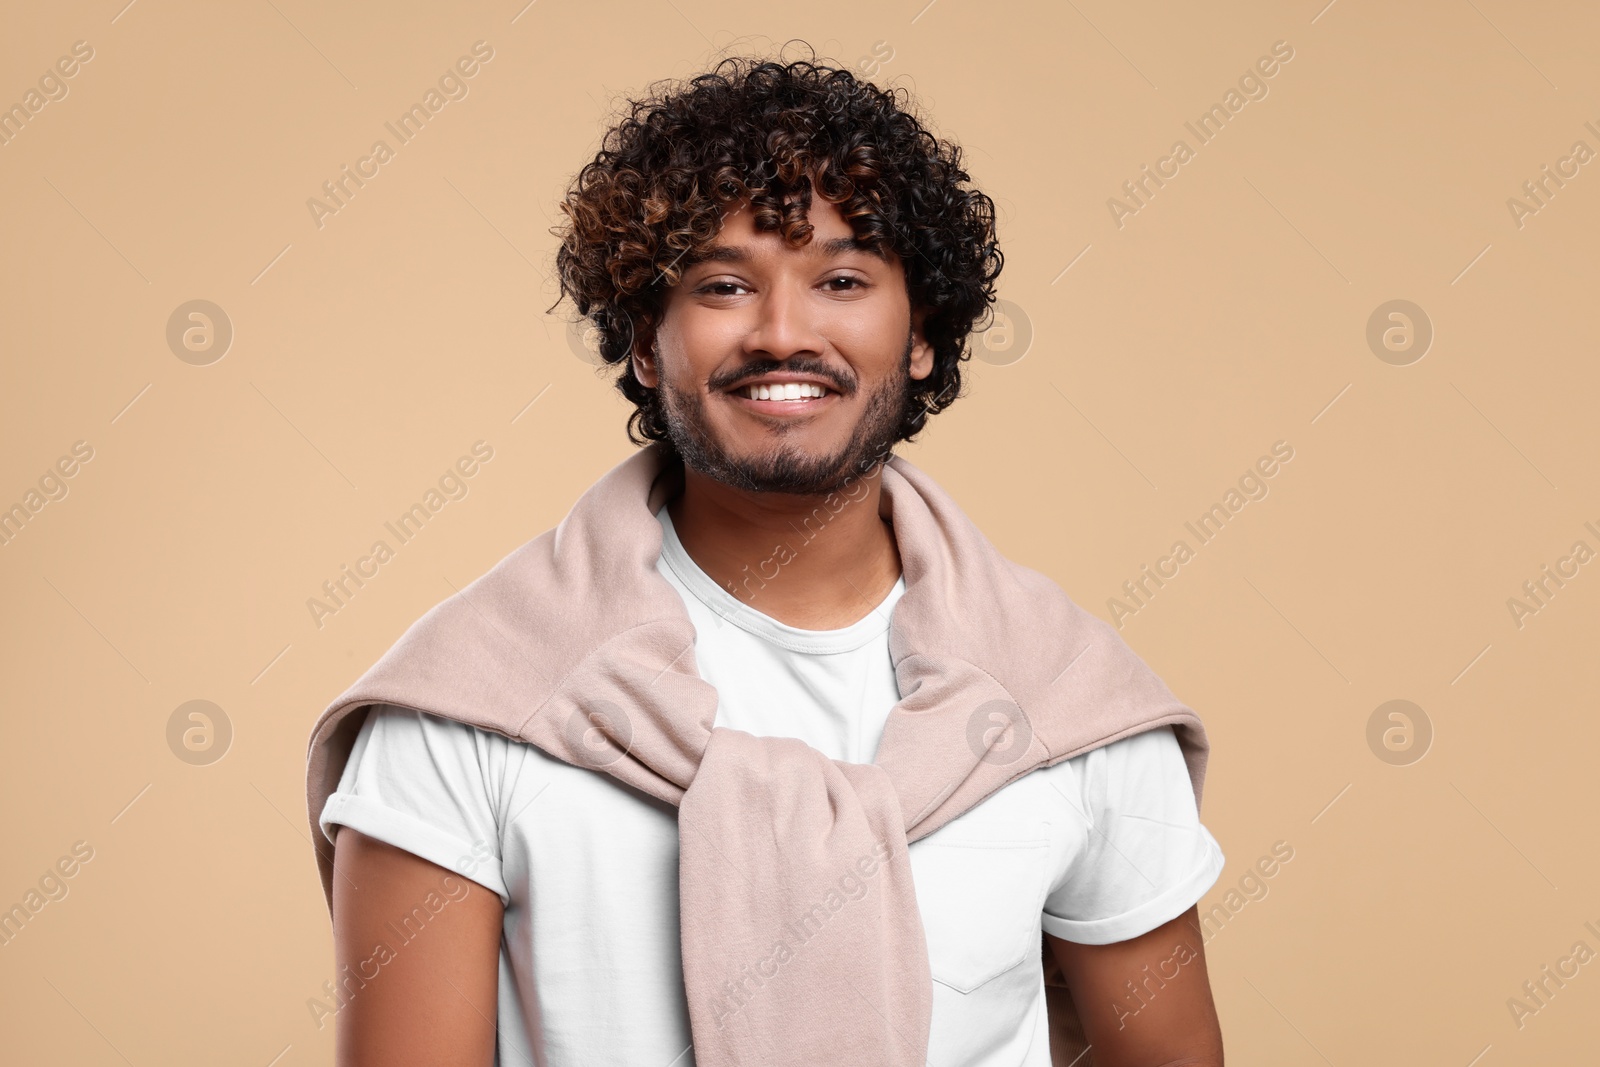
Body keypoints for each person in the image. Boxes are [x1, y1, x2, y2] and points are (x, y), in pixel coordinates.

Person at [310, 46, 1226, 1066]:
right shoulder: (470, 702)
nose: (782, 332)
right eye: (721, 284)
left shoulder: (1066, 702)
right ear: (645, 343)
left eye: (841, 278)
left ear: (921, 332)